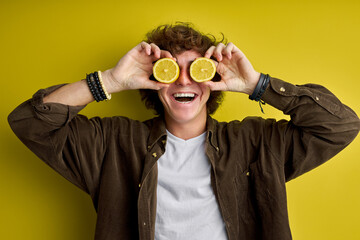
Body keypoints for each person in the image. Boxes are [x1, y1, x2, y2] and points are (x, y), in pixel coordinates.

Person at [8, 22, 360, 240]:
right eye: (170, 70)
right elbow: (30, 122)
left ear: (213, 78)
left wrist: (257, 84)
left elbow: (340, 125)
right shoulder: (113, 143)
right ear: (154, 82)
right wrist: (110, 80)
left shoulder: (256, 142)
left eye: (197, 70)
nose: (183, 80)